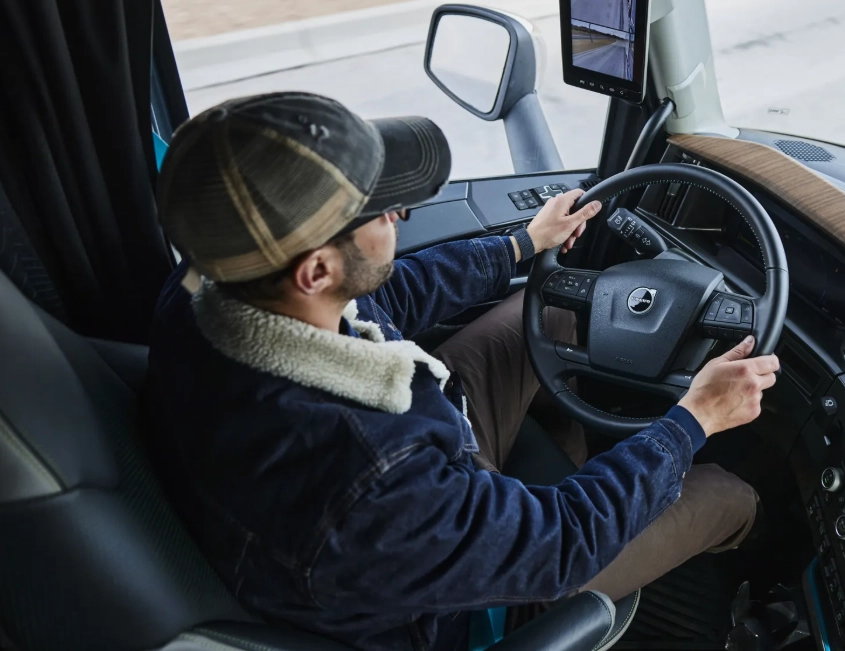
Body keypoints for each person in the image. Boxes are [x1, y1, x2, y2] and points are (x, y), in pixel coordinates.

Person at [147, 91, 780, 651]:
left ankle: (602, 470)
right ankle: (769, 596)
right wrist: (691, 420)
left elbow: (382, 297)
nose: (400, 214)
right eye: (381, 208)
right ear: (315, 271)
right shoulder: (365, 476)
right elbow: (560, 542)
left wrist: (521, 243)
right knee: (728, 492)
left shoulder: (207, 293)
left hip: (427, 469)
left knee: (554, 313)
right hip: (467, 596)